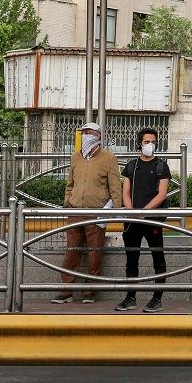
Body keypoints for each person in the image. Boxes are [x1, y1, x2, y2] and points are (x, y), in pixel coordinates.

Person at [54, 121, 120, 304]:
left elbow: (115, 187)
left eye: (89, 132)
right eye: (83, 132)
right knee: (72, 251)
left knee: (94, 252)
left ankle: (89, 291)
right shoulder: (76, 157)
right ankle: (66, 291)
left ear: (98, 135)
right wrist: (67, 203)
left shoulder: (108, 158)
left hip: (97, 212)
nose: (85, 135)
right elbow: (70, 183)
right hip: (75, 210)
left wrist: (112, 210)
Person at [117, 127, 171, 314]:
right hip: (132, 220)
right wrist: (131, 211)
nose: (151, 145)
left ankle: (157, 299)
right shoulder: (132, 165)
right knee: (132, 258)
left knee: (158, 258)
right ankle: (130, 297)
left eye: (153, 142)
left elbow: (162, 194)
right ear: (140, 143)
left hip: (153, 220)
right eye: (147, 142)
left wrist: (144, 211)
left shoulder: (161, 166)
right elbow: (125, 191)